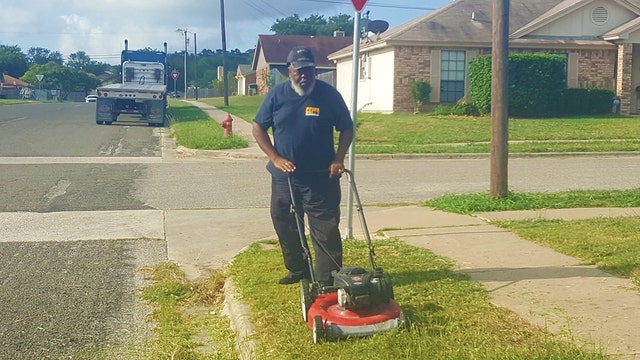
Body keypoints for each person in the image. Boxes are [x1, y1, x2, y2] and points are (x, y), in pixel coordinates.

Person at [252, 46, 354, 285]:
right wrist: (275, 158)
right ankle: (298, 270)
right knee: (284, 223)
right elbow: (258, 128)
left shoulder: (329, 95)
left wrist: (338, 158)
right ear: (290, 72)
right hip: (284, 178)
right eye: (299, 71)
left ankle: (327, 280)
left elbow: (346, 128)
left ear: (315, 70)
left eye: (309, 70)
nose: (304, 75)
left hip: (321, 177)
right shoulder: (277, 95)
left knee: (325, 228)